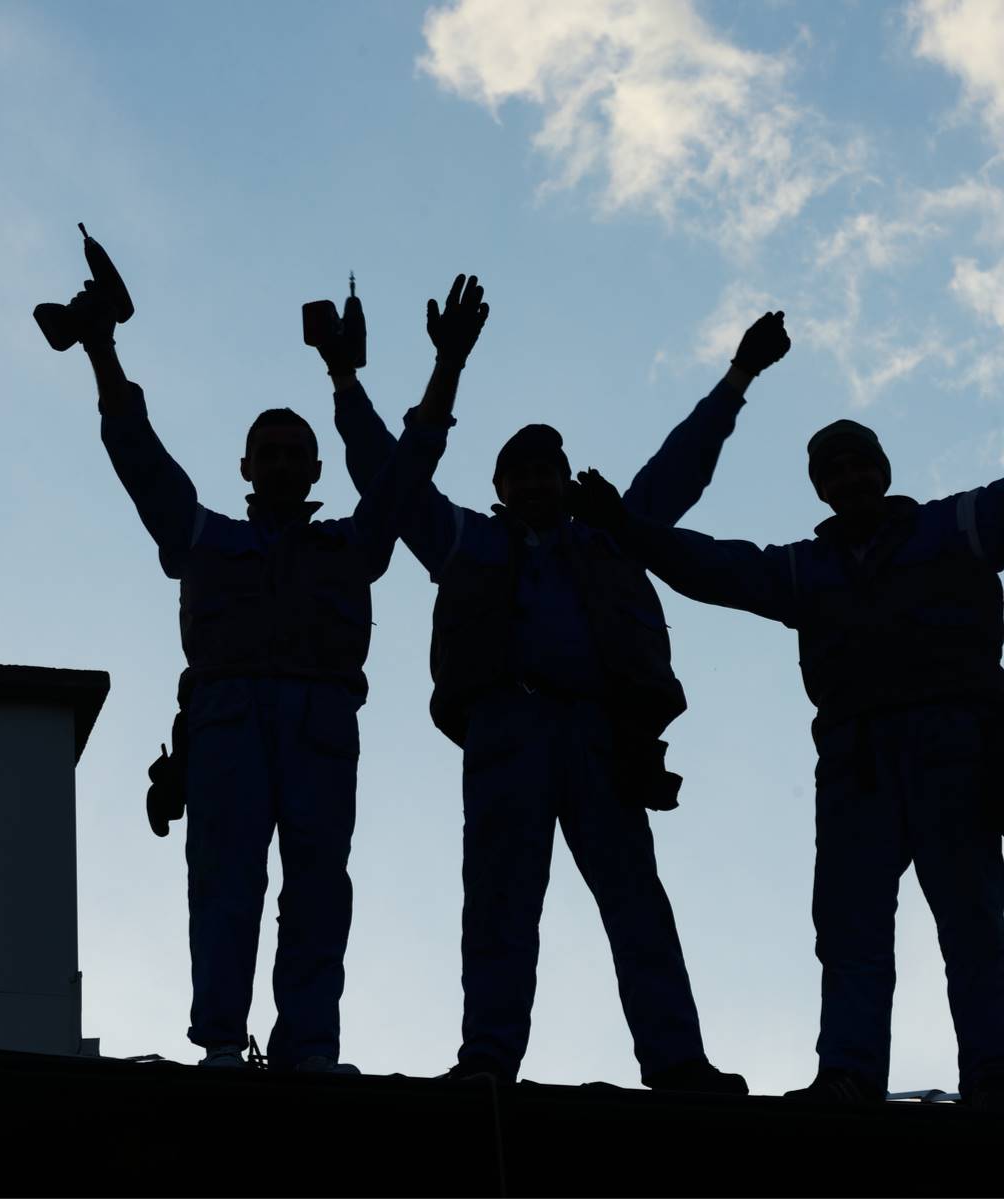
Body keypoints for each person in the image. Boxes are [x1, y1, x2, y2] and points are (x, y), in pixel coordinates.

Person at [315, 281, 789, 1088]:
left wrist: (740, 375)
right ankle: (488, 1058)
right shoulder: (463, 540)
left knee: (636, 901)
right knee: (500, 901)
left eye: (549, 471)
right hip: (507, 728)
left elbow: (683, 464)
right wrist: (349, 378)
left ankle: (677, 1061)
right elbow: (385, 474)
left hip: (603, 733)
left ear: (568, 480)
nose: (537, 483)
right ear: (500, 487)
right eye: (522, 473)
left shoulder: (612, 533)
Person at [73, 274, 484, 1073]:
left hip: (321, 723)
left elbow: (410, 465)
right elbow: (138, 454)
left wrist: (447, 367)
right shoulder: (203, 537)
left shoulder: (352, 545)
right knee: (224, 885)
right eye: (271, 453)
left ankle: (310, 1047)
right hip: (227, 723)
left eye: (298, 454)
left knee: (319, 891)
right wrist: (100, 349)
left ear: (318, 468)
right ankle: (223, 1044)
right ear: (246, 466)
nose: (285, 464)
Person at [577, 419, 1004, 1107]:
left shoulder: (959, 524)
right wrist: (628, 528)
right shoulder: (806, 569)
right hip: (855, 765)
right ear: (819, 488)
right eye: (834, 472)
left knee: (974, 920)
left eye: (860, 465)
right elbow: (713, 567)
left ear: (883, 471)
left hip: (955, 750)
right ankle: (848, 1074)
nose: (850, 479)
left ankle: (994, 1073)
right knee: (851, 930)